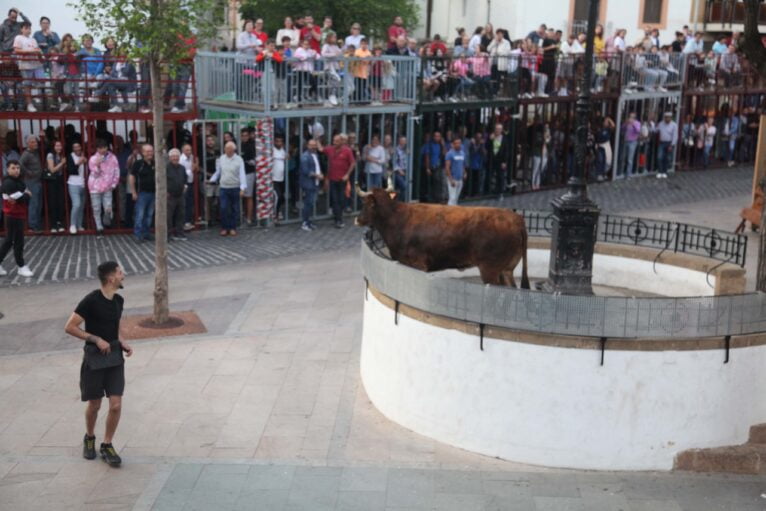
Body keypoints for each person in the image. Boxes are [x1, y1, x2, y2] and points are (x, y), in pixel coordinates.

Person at [64, 261, 133, 467]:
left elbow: (115, 327)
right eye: (121, 272)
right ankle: (90, 437)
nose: (123, 275)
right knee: (94, 405)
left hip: (114, 358)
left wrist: (122, 341)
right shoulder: (91, 301)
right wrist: (95, 339)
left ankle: (107, 444)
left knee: (116, 405)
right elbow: (70, 327)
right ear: (111, 278)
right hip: (94, 359)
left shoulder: (119, 300)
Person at [0, 159, 34, 277]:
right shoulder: (8, 183)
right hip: (11, 216)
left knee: (11, 240)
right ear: (8, 169)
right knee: (14, 241)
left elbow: (24, 198)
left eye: (18, 168)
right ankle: (21, 266)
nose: (16, 170)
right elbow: (23, 198)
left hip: (18, 215)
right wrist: (26, 194)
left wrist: (24, 196)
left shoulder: (19, 181)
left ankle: (19, 266)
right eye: (13, 168)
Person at [208, 141, 246, 236]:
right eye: (226, 148)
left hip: (235, 187)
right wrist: (211, 180)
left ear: (234, 150)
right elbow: (218, 172)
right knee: (224, 207)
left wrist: (242, 188)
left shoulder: (239, 159)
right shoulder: (221, 158)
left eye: (229, 149)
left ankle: (232, 227)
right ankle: (224, 227)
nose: (227, 151)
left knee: (234, 208)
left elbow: (242, 174)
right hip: (224, 187)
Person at [88, 140, 120, 238]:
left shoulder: (113, 158)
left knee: (108, 207)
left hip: (108, 186)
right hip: (95, 186)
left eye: (104, 148)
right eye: (100, 148)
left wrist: (114, 184)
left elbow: (116, 171)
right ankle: (99, 228)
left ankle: (106, 220)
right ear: (97, 149)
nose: (102, 150)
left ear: (107, 148)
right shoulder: (93, 159)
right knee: (96, 208)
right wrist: (97, 164)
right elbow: (94, 173)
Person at [323, 133, 356, 228]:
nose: (334, 142)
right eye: (333, 140)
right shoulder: (330, 149)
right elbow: (321, 149)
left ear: (341, 142)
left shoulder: (347, 150)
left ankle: (338, 217)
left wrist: (347, 174)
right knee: (335, 199)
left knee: (341, 199)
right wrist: (317, 139)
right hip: (332, 179)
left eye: (336, 141)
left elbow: (353, 163)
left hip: (342, 180)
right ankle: (338, 220)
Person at [13, 21, 44, 112]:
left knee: (41, 81)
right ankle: (29, 104)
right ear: (21, 29)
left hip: (36, 64)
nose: (28, 30)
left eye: (29, 28)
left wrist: (39, 54)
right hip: (25, 65)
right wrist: (31, 51)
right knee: (27, 85)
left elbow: (38, 51)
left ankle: (37, 98)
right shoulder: (18, 38)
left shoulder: (33, 40)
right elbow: (17, 50)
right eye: (26, 28)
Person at [128, 144, 156, 242]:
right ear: (143, 153)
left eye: (151, 151)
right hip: (142, 193)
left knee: (149, 214)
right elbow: (131, 177)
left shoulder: (155, 163)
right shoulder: (138, 164)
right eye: (147, 151)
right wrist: (133, 192)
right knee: (140, 214)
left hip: (153, 193)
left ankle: (146, 233)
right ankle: (137, 234)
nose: (149, 153)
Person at [19, 135, 43, 232]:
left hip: (37, 181)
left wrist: (42, 137)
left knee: (38, 203)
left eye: (36, 142)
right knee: (34, 203)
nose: (35, 143)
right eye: (33, 142)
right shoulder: (26, 154)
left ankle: (36, 223)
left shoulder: (35, 152)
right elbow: (20, 163)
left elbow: (44, 146)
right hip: (31, 181)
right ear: (28, 143)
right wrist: (29, 173)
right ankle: (33, 226)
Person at [299, 138, 323, 231]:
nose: (313, 147)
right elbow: (306, 171)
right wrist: (318, 175)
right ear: (307, 146)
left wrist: (320, 174)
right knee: (308, 203)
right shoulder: (305, 156)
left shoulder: (315, 155)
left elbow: (317, 167)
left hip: (315, 182)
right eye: (311, 145)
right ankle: (305, 223)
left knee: (311, 203)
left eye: (314, 145)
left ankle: (308, 221)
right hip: (308, 183)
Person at [45, 140, 67, 233]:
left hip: (60, 180)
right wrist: (62, 163)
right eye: (57, 145)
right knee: (53, 202)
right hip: (52, 181)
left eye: (60, 145)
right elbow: (52, 170)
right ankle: (53, 224)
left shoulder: (60, 155)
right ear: (53, 146)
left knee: (61, 202)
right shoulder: (50, 155)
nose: (59, 147)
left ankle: (59, 222)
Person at [166, 148, 187, 241]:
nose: (175, 158)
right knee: (168, 216)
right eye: (173, 156)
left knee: (180, 214)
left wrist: (185, 187)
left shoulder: (182, 168)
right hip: (169, 195)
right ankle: (168, 235)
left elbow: (185, 179)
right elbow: (162, 181)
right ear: (169, 157)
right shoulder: (166, 168)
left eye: (177, 156)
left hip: (180, 195)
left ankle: (180, 233)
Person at [67, 142, 87, 234]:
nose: (77, 148)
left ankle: (79, 225)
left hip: (83, 184)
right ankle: (72, 225)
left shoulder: (84, 156)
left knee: (81, 206)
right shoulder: (70, 157)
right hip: (73, 184)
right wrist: (79, 162)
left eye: (78, 146)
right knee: (77, 204)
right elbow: (71, 170)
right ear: (72, 149)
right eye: (74, 147)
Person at [239, 127, 257, 226]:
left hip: (249, 173)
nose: (244, 137)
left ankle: (249, 217)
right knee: (243, 196)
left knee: (248, 196)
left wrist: (248, 161)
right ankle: (244, 215)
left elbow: (254, 161)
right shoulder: (239, 145)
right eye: (242, 135)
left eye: (246, 135)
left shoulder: (251, 146)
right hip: (240, 174)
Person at [487, 123, 510, 197]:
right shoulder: (491, 137)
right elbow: (487, 147)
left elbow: (506, 151)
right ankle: (488, 191)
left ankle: (500, 192)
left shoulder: (504, 138)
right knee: (489, 175)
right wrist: (490, 140)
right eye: (496, 129)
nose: (498, 130)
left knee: (500, 176)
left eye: (499, 129)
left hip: (500, 160)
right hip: (492, 159)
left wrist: (504, 162)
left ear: (501, 130)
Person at [423, 130, 446, 203]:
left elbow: (444, 154)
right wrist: (427, 168)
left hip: (439, 166)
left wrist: (443, 145)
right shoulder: (429, 145)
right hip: (432, 166)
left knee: (440, 182)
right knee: (434, 182)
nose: (437, 138)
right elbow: (427, 156)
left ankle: (439, 198)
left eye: (439, 136)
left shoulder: (440, 145)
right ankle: (433, 198)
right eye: (436, 136)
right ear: (433, 137)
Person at [179, 143, 197, 230]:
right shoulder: (181, 160)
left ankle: (188, 221)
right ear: (182, 151)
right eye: (187, 150)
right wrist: (191, 170)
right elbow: (182, 173)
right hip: (184, 184)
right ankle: (184, 222)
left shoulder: (192, 157)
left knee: (190, 203)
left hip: (191, 182)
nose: (189, 152)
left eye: (190, 150)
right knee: (185, 203)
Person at [445, 138, 467, 205]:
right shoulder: (449, 154)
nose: (458, 145)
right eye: (456, 143)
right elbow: (447, 167)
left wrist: (465, 172)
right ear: (452, 144)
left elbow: (462, 165)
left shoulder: (462, 153)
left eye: (459, 143)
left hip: (460, 179)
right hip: (453, 178)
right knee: (452, 198)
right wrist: (451, 180)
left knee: (456, 198)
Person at [656, 112, 678, 179]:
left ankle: (664, 172)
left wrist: (672, 145)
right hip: (662, 142)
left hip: (669, 143)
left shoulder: (674, 125)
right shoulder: (661, 123)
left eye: (668, 117)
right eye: (666, 117)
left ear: (671, 118)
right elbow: (656, 130)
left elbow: (675, 136)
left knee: (667, 158)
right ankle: (660, 171)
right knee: (659, 157)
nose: (667, 119)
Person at [272, 136, 286, 220]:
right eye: (277, 141)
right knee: (278, 196)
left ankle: (278, 211)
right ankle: (275, 214)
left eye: (281, 141)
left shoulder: (282, 150)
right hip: (274, 179)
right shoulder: (272, 150)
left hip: (281, 178)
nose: (279, 143)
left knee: (282, 197)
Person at [392, 135, 408, 199]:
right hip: (398, 172)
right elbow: (394, 161)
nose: (403, 142)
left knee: (397, 187)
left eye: (404, 141)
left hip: (404, 171)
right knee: (403, 186)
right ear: (399, 141)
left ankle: (395, 201)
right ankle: (400, 202)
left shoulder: (406, 150)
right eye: (402, 141)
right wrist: (399, 170)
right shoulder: (396, 150)